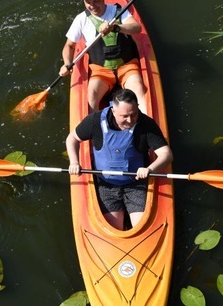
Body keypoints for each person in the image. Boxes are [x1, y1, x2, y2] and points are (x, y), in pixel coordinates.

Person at [66, 88, 173, 230]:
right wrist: (74, 162)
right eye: (124, 116)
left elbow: (166, 154)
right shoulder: (95, 121)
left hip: (136, 183)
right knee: (114, 228)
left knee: (141, 228)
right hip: (106, 184)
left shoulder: (146, 125)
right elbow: (72, 138)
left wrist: (150, 169)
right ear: (113, 110)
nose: (130, 120)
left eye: (133, 114)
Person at [60, 0, 146, 112]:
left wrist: (115, 27)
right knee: (91, 95)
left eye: (96, 1)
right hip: (101, 71)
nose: (92, 6)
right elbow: (69, 46)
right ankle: (94, 129)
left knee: (138, 89)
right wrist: (66, 63)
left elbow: (136, 27)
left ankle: (146, 125)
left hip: (127, 66)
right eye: (88, 2)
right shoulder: (81, 19)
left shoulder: (118, 11)